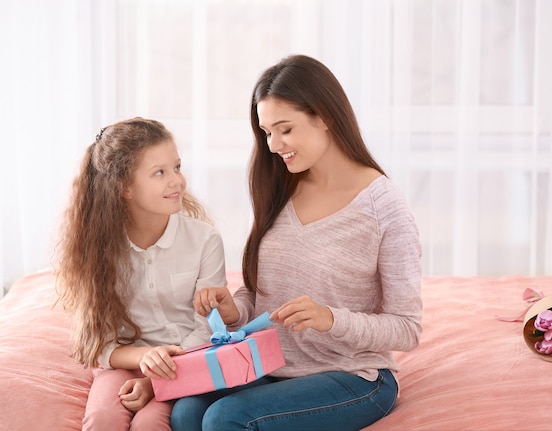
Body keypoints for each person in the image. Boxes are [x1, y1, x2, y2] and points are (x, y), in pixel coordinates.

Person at [170, 54, 422, 431]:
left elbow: (407, 328)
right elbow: (260, 296)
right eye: (267, 132)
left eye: (284, 129)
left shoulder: (383, 206)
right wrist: (232, 310)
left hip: (354, 376)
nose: (273, 145)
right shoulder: (279, 190)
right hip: (270, 362)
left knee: (226, 419)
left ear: (324, 116)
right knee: (187, 413)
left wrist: (330, 319)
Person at [55, 117, 227, 431]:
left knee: (151, 424)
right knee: (102, 420)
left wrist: (158, 375)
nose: (177, 181)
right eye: (159, 173)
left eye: (176, 167)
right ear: (124, 187)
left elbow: (208, 330)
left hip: (185, 362)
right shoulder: (97, 249)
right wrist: (146, 358)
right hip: (125, 360)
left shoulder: (205, 240)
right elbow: (98, 344)